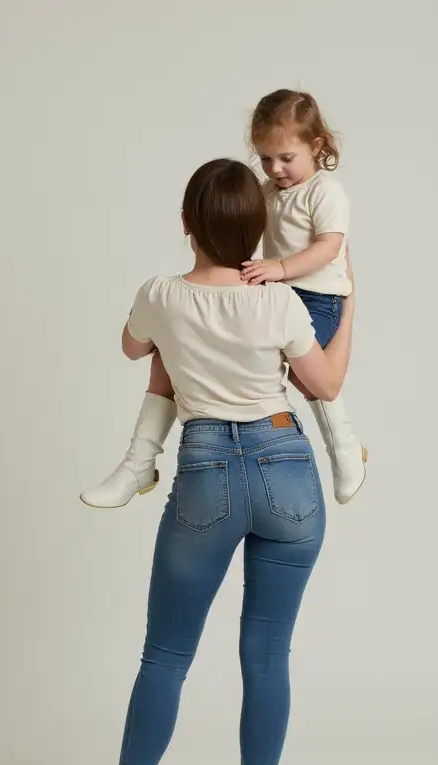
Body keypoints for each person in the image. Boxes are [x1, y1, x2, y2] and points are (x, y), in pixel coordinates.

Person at [78, 158, 357, 765]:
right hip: (288, 468)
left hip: (207, 468)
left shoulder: (162, 294)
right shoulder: (283, 301)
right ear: (259, 229)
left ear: (185, 224)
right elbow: (325, 384)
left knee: (166, 655)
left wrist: (181, 333)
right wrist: (349, 303)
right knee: (267, 658)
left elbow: (134, 347)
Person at [80, 89, 366, 509]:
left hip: (316, 296)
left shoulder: (326, 192)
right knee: (171, 346)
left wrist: (287, 273)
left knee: (307, 376)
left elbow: (329, 248)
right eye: (266, 158)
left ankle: (345, 450)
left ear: (317, 145)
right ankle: (139, 462)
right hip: (277, 287)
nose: (275, 168)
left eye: (286, 158)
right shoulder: (270, 190)